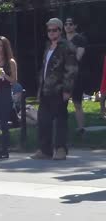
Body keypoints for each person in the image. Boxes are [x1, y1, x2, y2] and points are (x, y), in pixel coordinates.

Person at [30, 18, 77, 160]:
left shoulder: (67, 47)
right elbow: (44, 70)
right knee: (44, 120)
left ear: (60, 31)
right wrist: (40, 90)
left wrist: (67, 90)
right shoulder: (47, 47)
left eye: (54, 30)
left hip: (59, 90)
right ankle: (45, 150)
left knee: (60, 120)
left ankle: (60, 149)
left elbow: (71, 69)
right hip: (46, 90)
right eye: (49, 30)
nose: (51, 32)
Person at [64, 17, 87, 135]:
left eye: (70, 24)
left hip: (76, 75)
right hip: (63, 76)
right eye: (66, 24)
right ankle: (62, 130)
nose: (68, 26)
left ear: (75, 26)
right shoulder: (61, 40)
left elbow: (78, 57)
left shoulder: (80, 39)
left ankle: (81, 128)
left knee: (77, 102)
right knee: (62, 103)